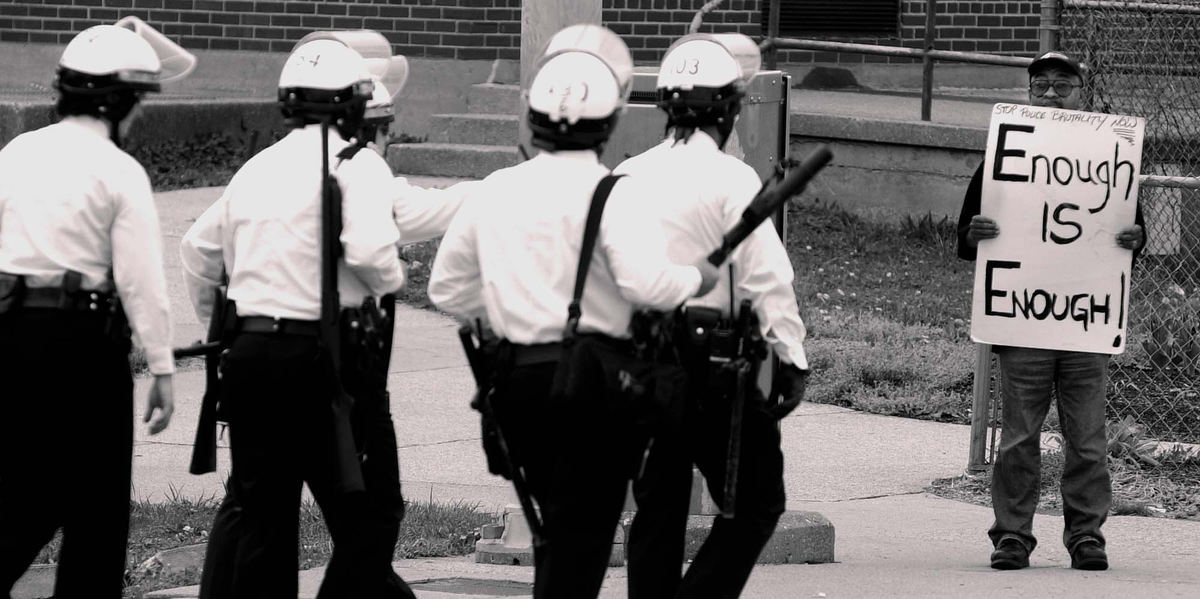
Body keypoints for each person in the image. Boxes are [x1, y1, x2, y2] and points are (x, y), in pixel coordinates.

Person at [428, 24, 719, 599]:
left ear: (533, 117)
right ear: (609, 123)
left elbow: (447, 287)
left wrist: (512, 309)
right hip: (596, 389)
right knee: (579, 543)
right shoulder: (614, 191)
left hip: (514, 384)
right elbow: (648, 285)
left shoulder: (493, 188)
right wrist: (698, 276)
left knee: (558, 533)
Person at [180, 39, 411, 597]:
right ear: (351, 105)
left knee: (265, 523)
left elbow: (196, 250)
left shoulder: (257, 167)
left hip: (251, 357)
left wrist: (234, 319)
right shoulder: (358, 163)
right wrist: (394, 279)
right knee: (374, 514)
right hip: (326, 360)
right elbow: (372, 258)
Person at [614, 33, 811, 599]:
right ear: (728, 109)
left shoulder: (626, 176)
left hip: (642, 361)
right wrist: (791, 357)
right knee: (756, 505)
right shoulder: (732, 178)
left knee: (658, 508)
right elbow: (768, 279)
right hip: (717, 367)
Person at [0, 22, 182, 598]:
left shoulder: (17, 151)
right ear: (119, 99)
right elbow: (141, 278)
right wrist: (162, 366)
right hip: (82, 338)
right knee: (95, 503)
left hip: (8, 329)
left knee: (21, 479)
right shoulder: (119, 170)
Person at [956, 50, 1146, 572]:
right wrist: (975, 233)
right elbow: (966, 236)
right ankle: (1012, 536)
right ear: (1028, 92)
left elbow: (1134, 231)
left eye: (1063, 86)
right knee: (1019, 439)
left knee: (1087, 440)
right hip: (1023, 321)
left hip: (1086, 322)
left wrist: (1135, 237)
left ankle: (1086, 536)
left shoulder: (1110, 158)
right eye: (1041, 85)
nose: (1051, 95)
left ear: (1082, 94)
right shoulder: (1003, 156)